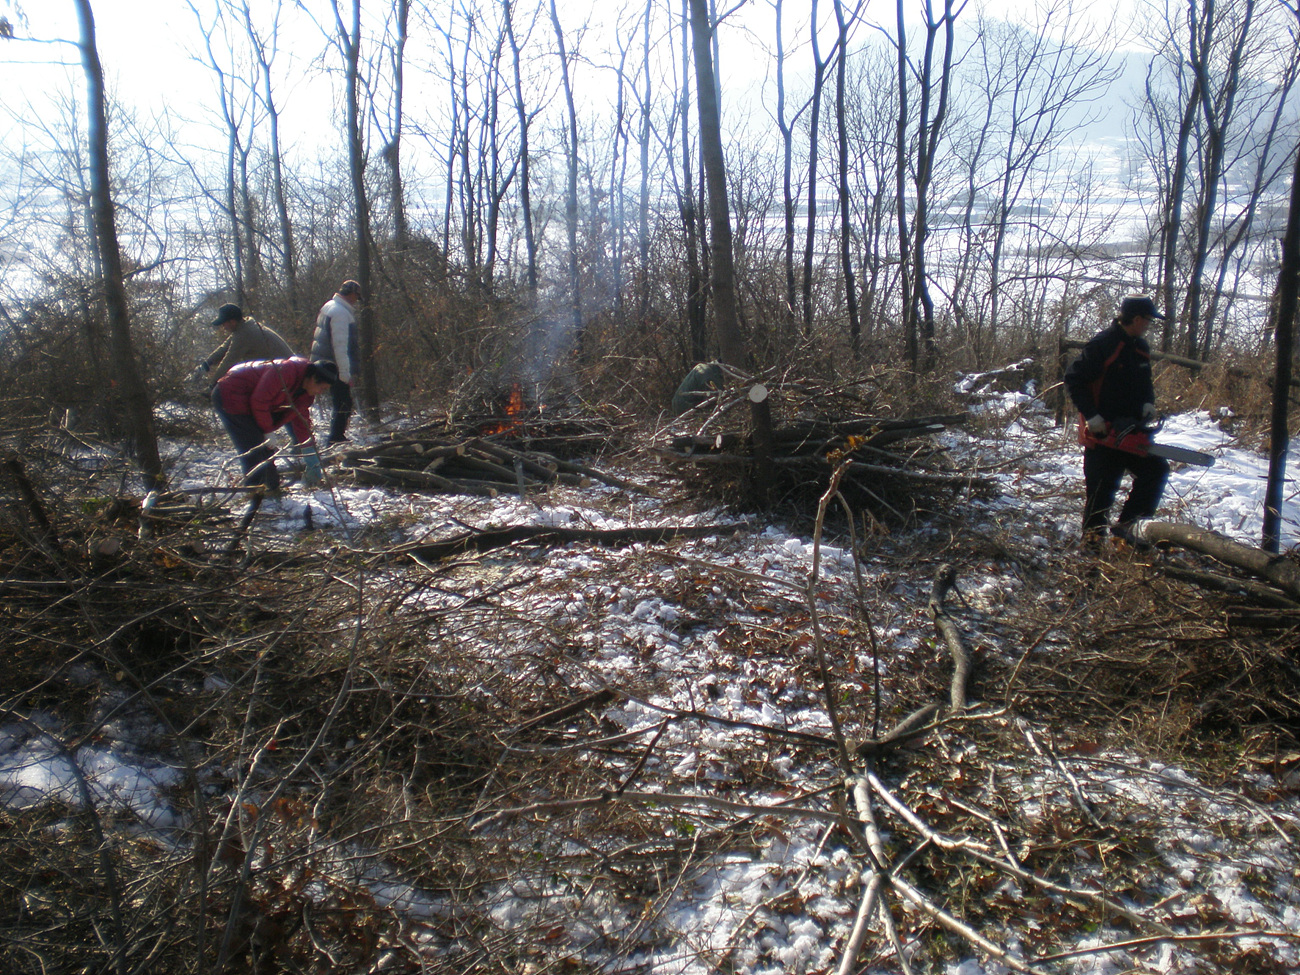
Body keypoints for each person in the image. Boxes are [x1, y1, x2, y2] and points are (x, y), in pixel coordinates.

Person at [1064, 295, 1170, 546]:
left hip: (1132, 432)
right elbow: (1074, 380)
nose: (1148, 325)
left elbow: (1144, 383)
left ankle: (1130, 530)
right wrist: (1092, 416)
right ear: (1135, 318)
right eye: (1147, 320)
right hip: (1103, 434)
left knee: (1156, 471)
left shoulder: (1140, 347)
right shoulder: (1104, 344)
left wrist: (1148, 402)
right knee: (1101, 495)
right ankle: (1091, 549)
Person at [212, 356, 338, 494]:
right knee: (254, 446)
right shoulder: (285, 371)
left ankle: (272, 488)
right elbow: (260, 400)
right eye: (322, 387)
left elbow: (301, 422)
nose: (321, 392)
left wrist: (310, 455)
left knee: (265, 449)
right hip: (231, 393)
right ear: (313, 378)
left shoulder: (306, 395)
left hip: (251, 401)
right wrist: (267, 431)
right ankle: (258, 493)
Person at [311, 279, 361, 446]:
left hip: (325, 363)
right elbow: (340, 346)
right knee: (343, 402)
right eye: (356, 296)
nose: (356, 300)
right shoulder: (340, 313)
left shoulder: (330, 306)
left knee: (340, 401)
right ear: (352, 294)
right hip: (334, 366)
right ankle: (336, 438)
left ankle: (335, 436)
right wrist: (344, 373)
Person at [196, 303, 294, 385]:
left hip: (286, 375)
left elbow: (229, 361)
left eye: (224, 323)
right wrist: (207, 364)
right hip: (281, 371)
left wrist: (212, 385)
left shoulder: (245, 334)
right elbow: (224, 348)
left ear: (232, 321)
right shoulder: (245, 327)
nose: (223, 326)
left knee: (225, 392)